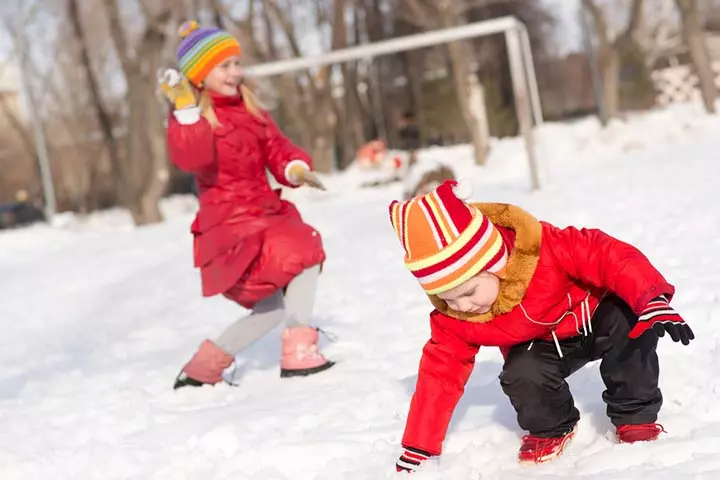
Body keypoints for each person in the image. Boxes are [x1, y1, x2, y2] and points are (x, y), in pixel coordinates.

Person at [388, 180, 694, 472]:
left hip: (596, 314)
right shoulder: (457, 315)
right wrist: (420, 446)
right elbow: (440, 374)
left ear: (497, 264)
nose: (463, 306)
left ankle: (634, 414)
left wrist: (650, 298)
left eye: (469, 292)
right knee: (522, 373)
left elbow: (607, 254)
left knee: (631, 323)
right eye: (448, 299)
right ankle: (552, 426)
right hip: (543, 344)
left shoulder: (545, 249)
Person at [160, 21, 335, 390]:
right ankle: (299, 346)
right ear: (201, 74)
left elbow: (275, 146)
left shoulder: (250, 108)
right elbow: (190, 157)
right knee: (304, 248)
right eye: (224, 66)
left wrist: (294, 167)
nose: (235, 72)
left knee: (270, 307)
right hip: (231, 227)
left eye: (237, 63)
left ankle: (202, 369)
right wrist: (184, 110)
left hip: (263, 214)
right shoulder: (192, 116)